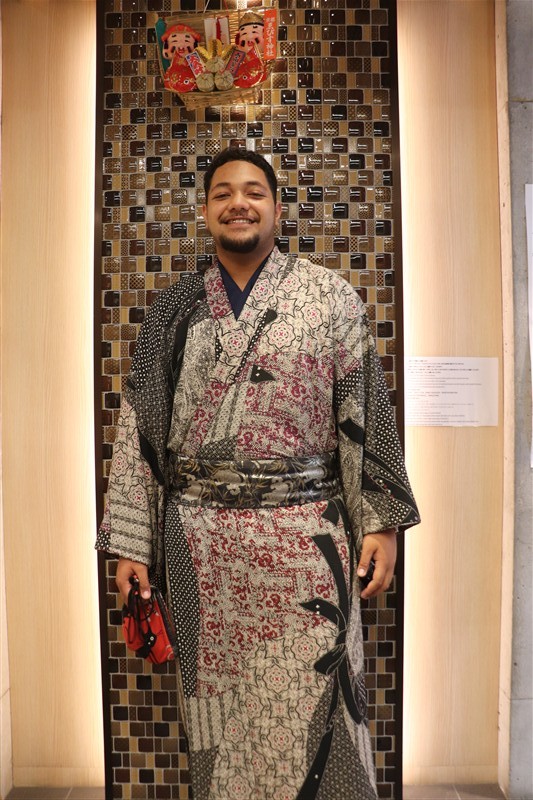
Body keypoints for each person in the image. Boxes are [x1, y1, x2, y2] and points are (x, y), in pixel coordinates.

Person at [96, 148, 420, 800]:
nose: (237, 203)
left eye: (253, 192)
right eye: (222, 193)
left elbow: (364, 414)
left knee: (321, 703)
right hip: (200, 548)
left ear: (276, 208)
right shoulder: (172, 309)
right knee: (215, 716)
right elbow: (140, 432)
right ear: (205, 211)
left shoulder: (330, 298)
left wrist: (381, 524)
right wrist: (132, 543)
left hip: (307, 543)